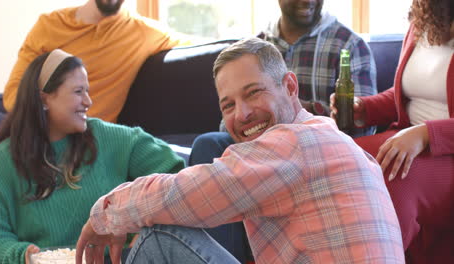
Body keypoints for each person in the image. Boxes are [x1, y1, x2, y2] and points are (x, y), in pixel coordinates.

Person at [75, 37, 405, 264]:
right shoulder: (332, 142)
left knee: (160, 235)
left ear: (290, 86)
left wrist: (106, 213)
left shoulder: (293, 144)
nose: (242, 114)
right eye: (228, 104)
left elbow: (183, 195)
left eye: (254, 92)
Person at [187, 0, 378, 260]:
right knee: (209, 144)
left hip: (315, 163)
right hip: (257, 154)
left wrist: (299, 116)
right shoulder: (254, 47)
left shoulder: (349, 45)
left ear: (291, 87)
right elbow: (233, 119)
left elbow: (360, 128)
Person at [0, 49, 185, 264]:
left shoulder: (114, 139)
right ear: (44, 99)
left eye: (87, 91)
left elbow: (176, 177)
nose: (88, 101)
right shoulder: (2, 161)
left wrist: (142, 230)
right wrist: (24, 256)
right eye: (78, 91)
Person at [330, 0, 453, 262]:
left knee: (393, 176)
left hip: (447, 152)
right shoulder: (422, 20)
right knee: (336, 158)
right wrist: (364, 109)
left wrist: (425, 134)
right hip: (405, 136)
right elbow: (409, 94)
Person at [0, 0, 186, 144]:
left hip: (85, 134)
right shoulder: (49, 25)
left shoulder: (146, 33)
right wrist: (46, 118)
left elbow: (208, 50)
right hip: (33, 123)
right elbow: (14, 93)